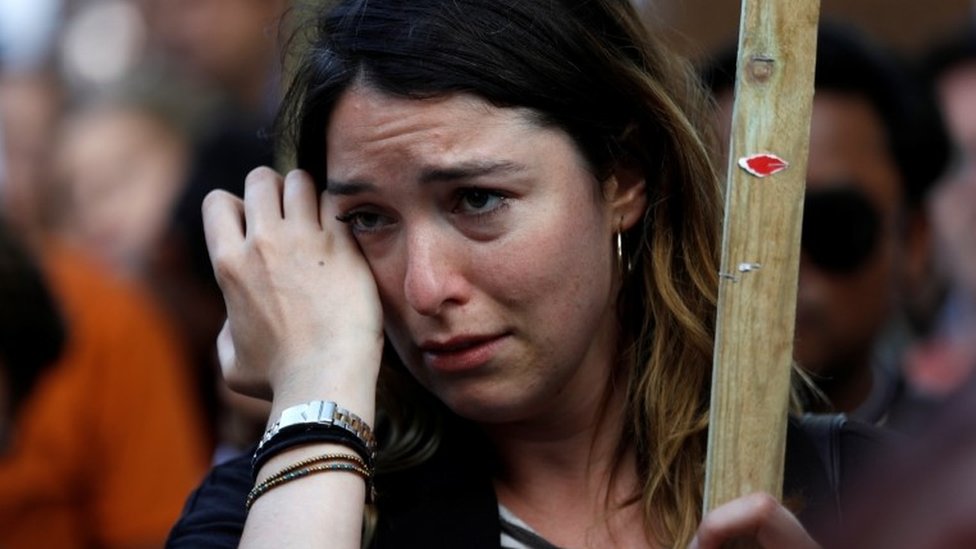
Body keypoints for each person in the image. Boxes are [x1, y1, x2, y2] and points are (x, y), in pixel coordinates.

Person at [169, 2, 883, 548]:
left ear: (621, 178)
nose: (424, 286)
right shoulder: (273, 508)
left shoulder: (856, 490)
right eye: (369, 218)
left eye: (477, 200)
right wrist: (319, 386)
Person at [705, 24, 952, 431]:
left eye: (833, 225)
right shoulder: (615, 474)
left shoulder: (954, 475)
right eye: (741, 225)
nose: (780, 264)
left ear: (914, 241)